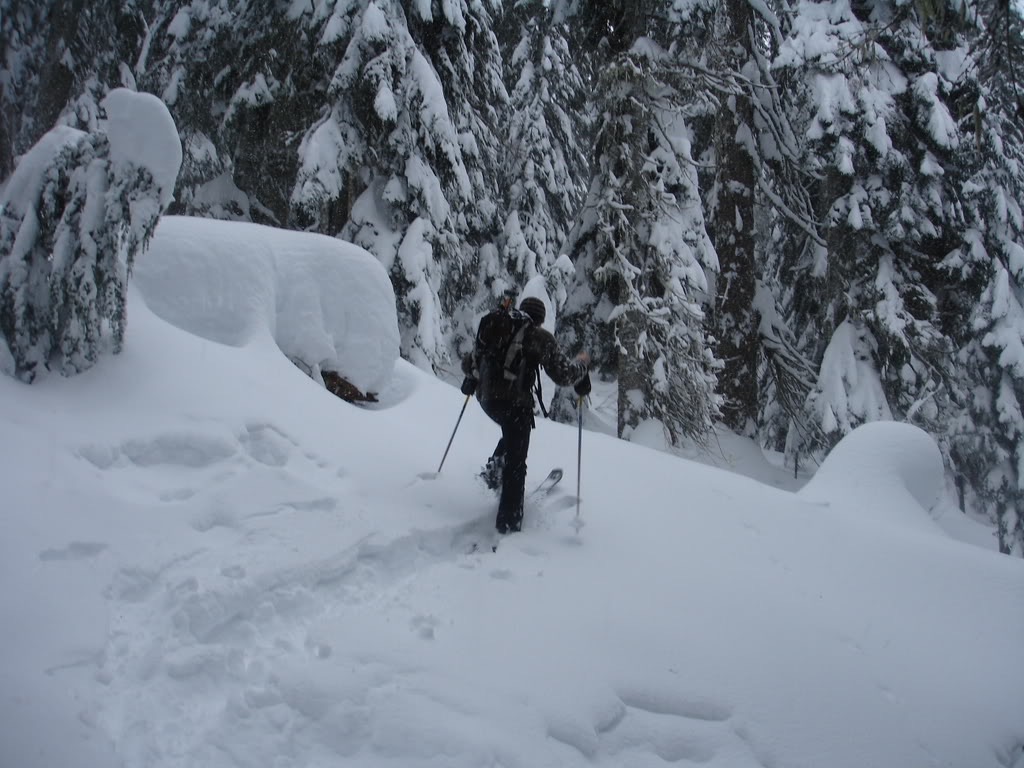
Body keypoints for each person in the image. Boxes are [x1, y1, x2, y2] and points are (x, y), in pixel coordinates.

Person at [461, 296, 591, 534]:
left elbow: (468, 362)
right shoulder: (539, 337)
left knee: (511, 435)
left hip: (487, 400)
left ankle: (494, 472)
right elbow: (564, 375)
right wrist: (582, 364)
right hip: (514, 403)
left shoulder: (499, 327)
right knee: (516, 463)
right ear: (540, 319)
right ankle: (508, 522)